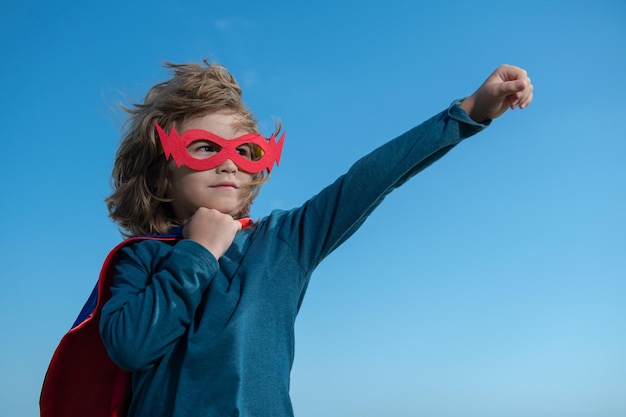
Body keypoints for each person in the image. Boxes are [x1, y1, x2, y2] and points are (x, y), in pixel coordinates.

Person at [40, 60, 533, 417]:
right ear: (163, 173)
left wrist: (470, 111)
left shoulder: (285, 242)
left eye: (244, 150)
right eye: (205, 147)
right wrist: (196, 252)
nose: (228, 161)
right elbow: (130, 346)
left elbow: (374, 177)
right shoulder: (141, 260)